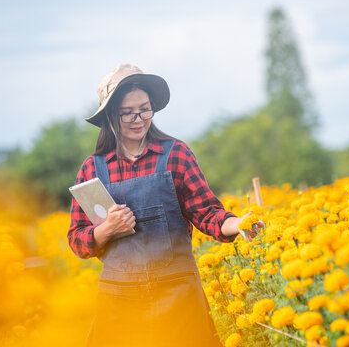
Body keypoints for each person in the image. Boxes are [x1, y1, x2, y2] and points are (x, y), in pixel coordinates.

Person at [68, 64, 253, 347]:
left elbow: (207, 213)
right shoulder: (92, 169)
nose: (138, 118)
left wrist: (238, 223)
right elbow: (77, 239)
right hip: (119, 301)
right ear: (110, 116)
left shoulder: (176, 154)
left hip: (177, 293)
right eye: (127, 112)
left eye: (144, 109)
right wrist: (107, 230)